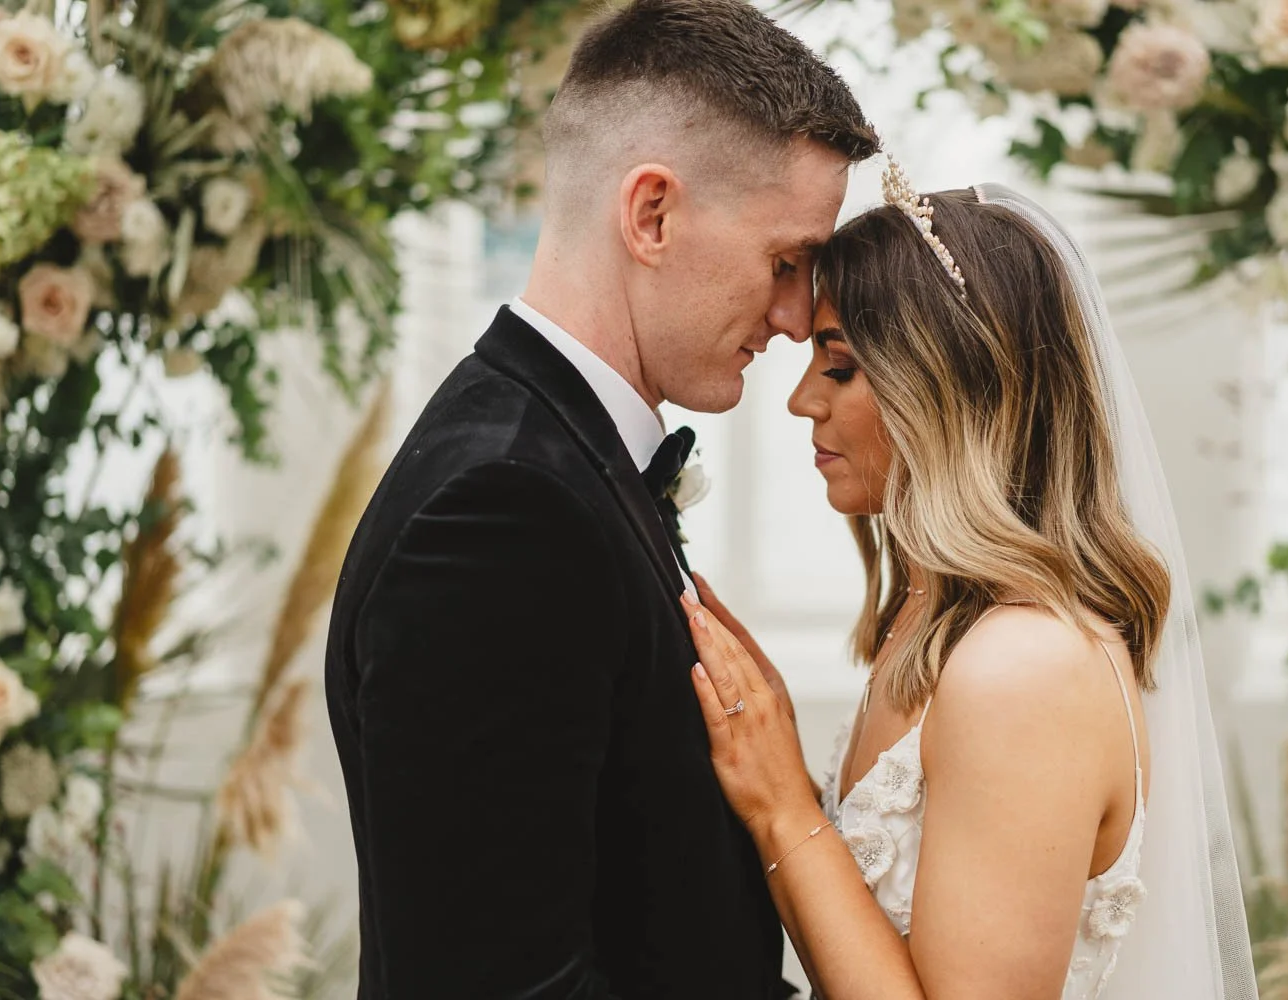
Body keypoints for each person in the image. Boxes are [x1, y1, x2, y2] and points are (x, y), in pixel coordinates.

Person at [322, 0, 878, 995]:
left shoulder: (557, 459)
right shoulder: (502, 511)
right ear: (652, 214)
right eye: (785, 261)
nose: (798, 317)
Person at [682, 167, 1259, 1000]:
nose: (802, 401)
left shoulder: (1025, 668)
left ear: (951, 388)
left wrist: (783, 807)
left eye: (838, 368)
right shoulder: (932, 620)